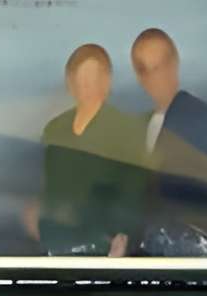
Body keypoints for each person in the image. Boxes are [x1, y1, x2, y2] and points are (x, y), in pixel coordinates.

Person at [32, 42, 149, 256]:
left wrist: (123, 235)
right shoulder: (55, 129)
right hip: (55, 243)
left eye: (94, 77)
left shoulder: (126, 129)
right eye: (81, 77)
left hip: (102, 247)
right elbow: (47, 188)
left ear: (106, 82)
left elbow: (133, 190)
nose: (87, 85)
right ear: (71, 81)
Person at [130, 26, 207, 249]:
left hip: (190, 253)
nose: (152, 77)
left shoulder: (203, 121)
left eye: (158, 66)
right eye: (144, 69)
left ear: (174, 64)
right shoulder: (142, 126)